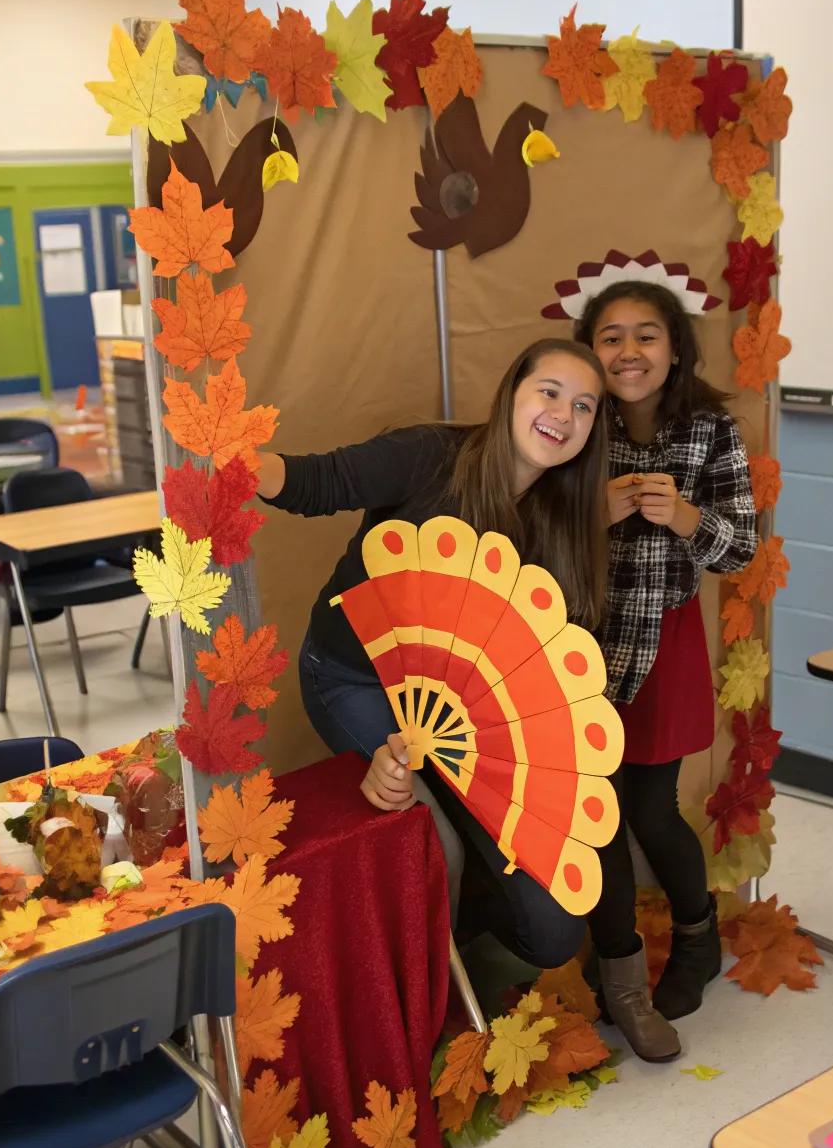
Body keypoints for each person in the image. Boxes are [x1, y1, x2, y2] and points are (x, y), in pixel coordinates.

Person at [256, 338, 609, 971]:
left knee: (554, 933)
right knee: (434, 842)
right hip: (353, 678)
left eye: (584, 406)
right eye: (549, 392)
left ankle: (445, 929)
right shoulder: (430, 456)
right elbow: (317, 481)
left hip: (464, 721)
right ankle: (419, 998)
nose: (564, 414)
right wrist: (232, 462)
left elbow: (538, 670)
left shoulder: (560, 522)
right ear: (512, 394)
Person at [574, 279, 758, 1061]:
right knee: (597, 814)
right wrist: (594, 513)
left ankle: (696, 940)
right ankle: (615, 969)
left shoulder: (712, 430)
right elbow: (521, 520)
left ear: (675, 347)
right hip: (580, 642)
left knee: (650, 807)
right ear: (590, 351)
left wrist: (683, 515)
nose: (628, 352)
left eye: (645, 335)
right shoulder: (574, 419)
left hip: (664, 638)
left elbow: (741, 547)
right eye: (610, 336)